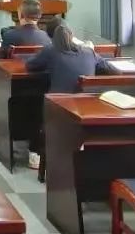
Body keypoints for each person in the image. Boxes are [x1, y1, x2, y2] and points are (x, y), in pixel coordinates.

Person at [24, 25, 112, 170]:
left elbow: (30, 65)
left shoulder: (50, 50)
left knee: (33, 105)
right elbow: (107, 68)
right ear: (73, 38)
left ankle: (36, 153)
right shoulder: (89, 52)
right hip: (85, 108)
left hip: (58, 106)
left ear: (53, 39)